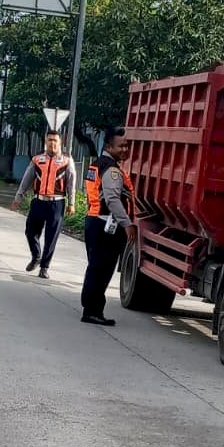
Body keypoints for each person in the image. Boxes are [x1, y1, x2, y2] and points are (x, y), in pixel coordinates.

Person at [80, 126, 136, 325]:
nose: (125, 150)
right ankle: (92, 311)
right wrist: (127, 224)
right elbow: (112, 200)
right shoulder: (111, 170)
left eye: (126, 146)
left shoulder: (97, 165)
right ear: (109, 147)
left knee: (95, 268)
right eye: (121, 146)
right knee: (102, 270)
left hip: (94, 221)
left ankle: (90, 308)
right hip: (106, 226)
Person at [10, 131, 77, 279]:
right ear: (46, 142)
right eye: (49, 140)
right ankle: (36, 256)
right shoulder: (37, 160)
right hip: (38, 201)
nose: (52, 143)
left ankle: (44, 267)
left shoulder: (67, 161)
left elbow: (71, 183)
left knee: (51, 237)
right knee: (30, 232)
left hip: (57, 203)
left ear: (60, 143)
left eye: (55, 140)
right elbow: (26, 180)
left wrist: (71, 204)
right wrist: (18, 198)